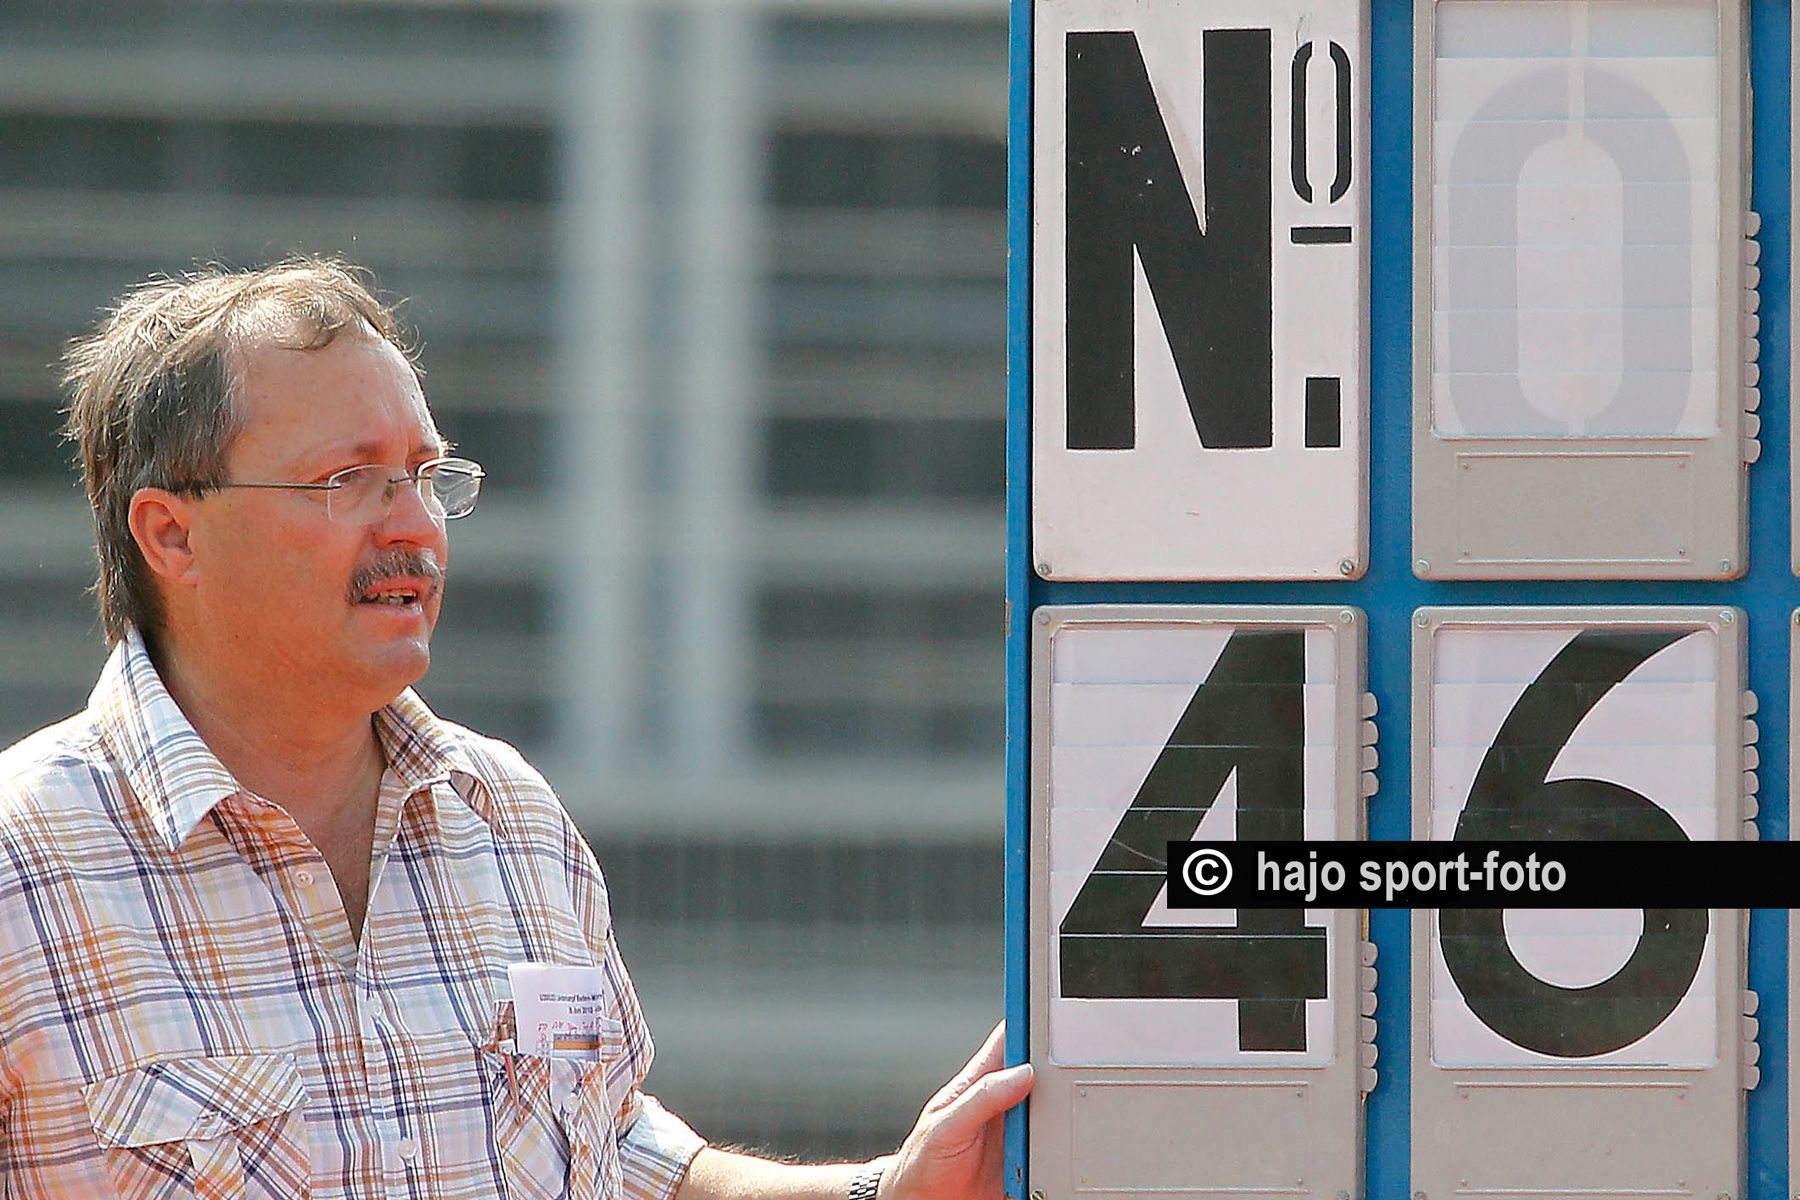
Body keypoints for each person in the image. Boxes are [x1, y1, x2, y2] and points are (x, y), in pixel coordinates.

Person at [0, 258, 1032, 1198]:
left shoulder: (510, 818)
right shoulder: (23, 870)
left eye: (425, 475)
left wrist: (885, 1193)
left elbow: (620, 1154)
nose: (414, 525)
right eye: (347, 481)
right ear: (172, 534)